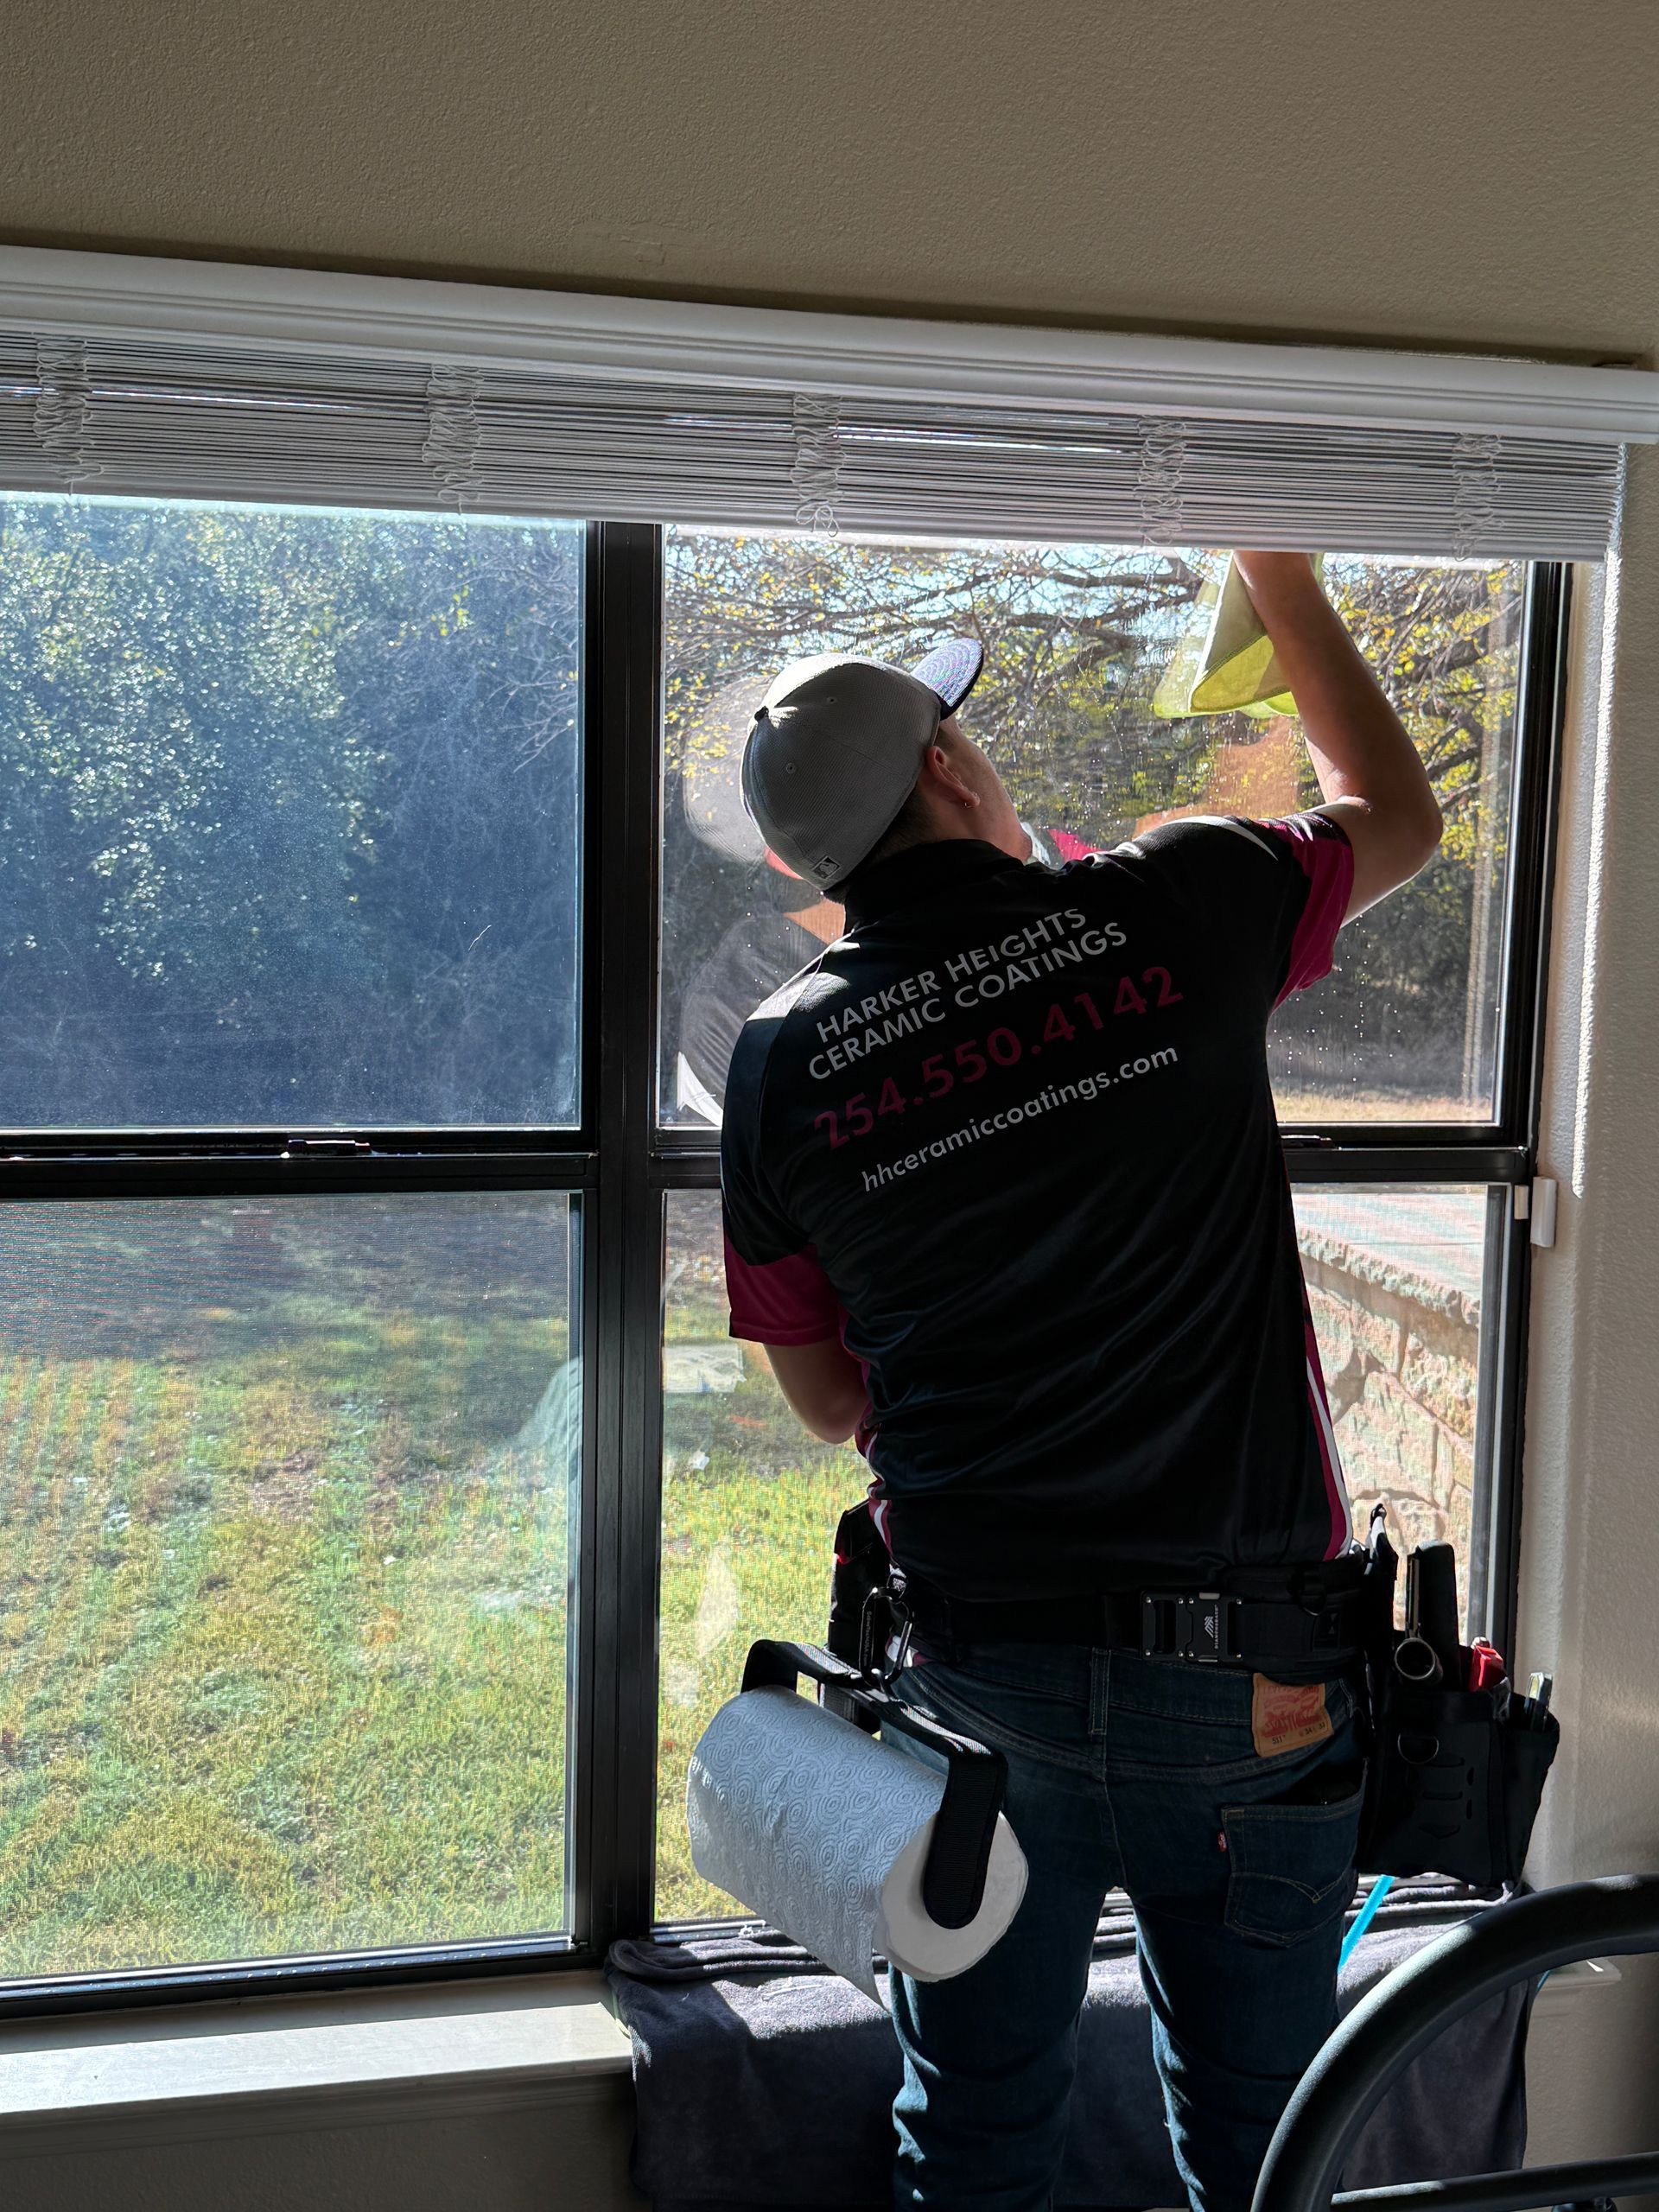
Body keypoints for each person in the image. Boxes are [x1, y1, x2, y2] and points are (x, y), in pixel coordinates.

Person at [718, 556, 1442, 2212]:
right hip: (1252, 1684)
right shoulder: (1175, 905)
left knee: (975, 2136)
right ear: (955, 773)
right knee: (1274, 2142)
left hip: (987, 1691)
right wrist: (1281, 576)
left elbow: (830, 1404)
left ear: (794, 864)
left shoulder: (780, 1060)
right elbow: (1390, 810)